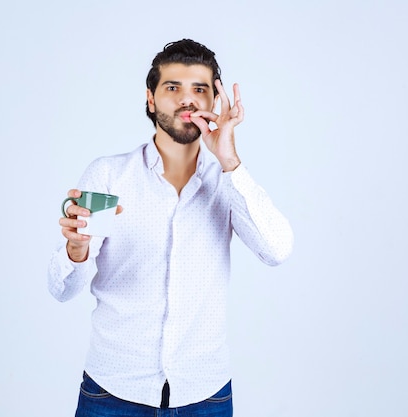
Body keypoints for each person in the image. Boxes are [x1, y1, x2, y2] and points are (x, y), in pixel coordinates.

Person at [48, 39, 293, 417]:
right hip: (112, 392)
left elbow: (277, 250)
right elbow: (63, 289)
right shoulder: (110, 176)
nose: (187, 99)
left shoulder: (228, 181)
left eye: (200, 89)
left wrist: (228, 158)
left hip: (204, 395)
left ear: (215, 101)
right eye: (173, 88)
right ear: (151, 99)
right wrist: (76, 251)